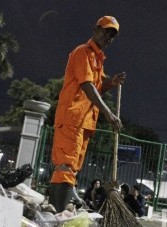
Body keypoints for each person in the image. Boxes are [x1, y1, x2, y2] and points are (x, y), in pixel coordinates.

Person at [48, 15, 126, 212]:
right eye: (106, 31)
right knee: (65, 167)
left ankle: (61, 212)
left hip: (84, 122)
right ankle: (58, 212)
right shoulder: (83, 52)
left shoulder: (97, 59)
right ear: (95, 29)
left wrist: (110, 82)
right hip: (72, 118)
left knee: (72, 168)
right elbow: (87, 85)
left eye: (112, 35)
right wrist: (108, 113)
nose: (108, 37)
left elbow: (97, 87)